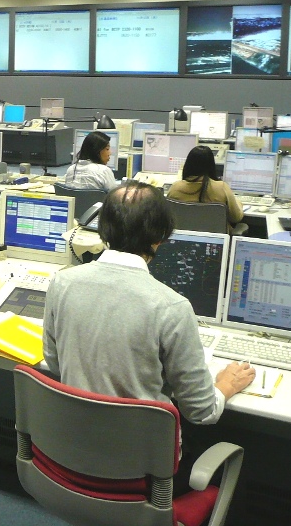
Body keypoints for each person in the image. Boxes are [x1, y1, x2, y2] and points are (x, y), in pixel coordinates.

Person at [43, 181, 255, 430]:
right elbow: (202, 412)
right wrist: (227, 384)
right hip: (138, 459)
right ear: (161, 238)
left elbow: (55, 363)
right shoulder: (172, 307)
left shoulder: (61, 283)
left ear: (102, 230)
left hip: (67, 446)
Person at [167, 145, 244, 231]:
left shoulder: (175, 188)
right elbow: (236, 218)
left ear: (188, 164)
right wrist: (239, 204)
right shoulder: (221, 188)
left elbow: (168, 218)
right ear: (211, 165)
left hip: (183, 239)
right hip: (216, 242)